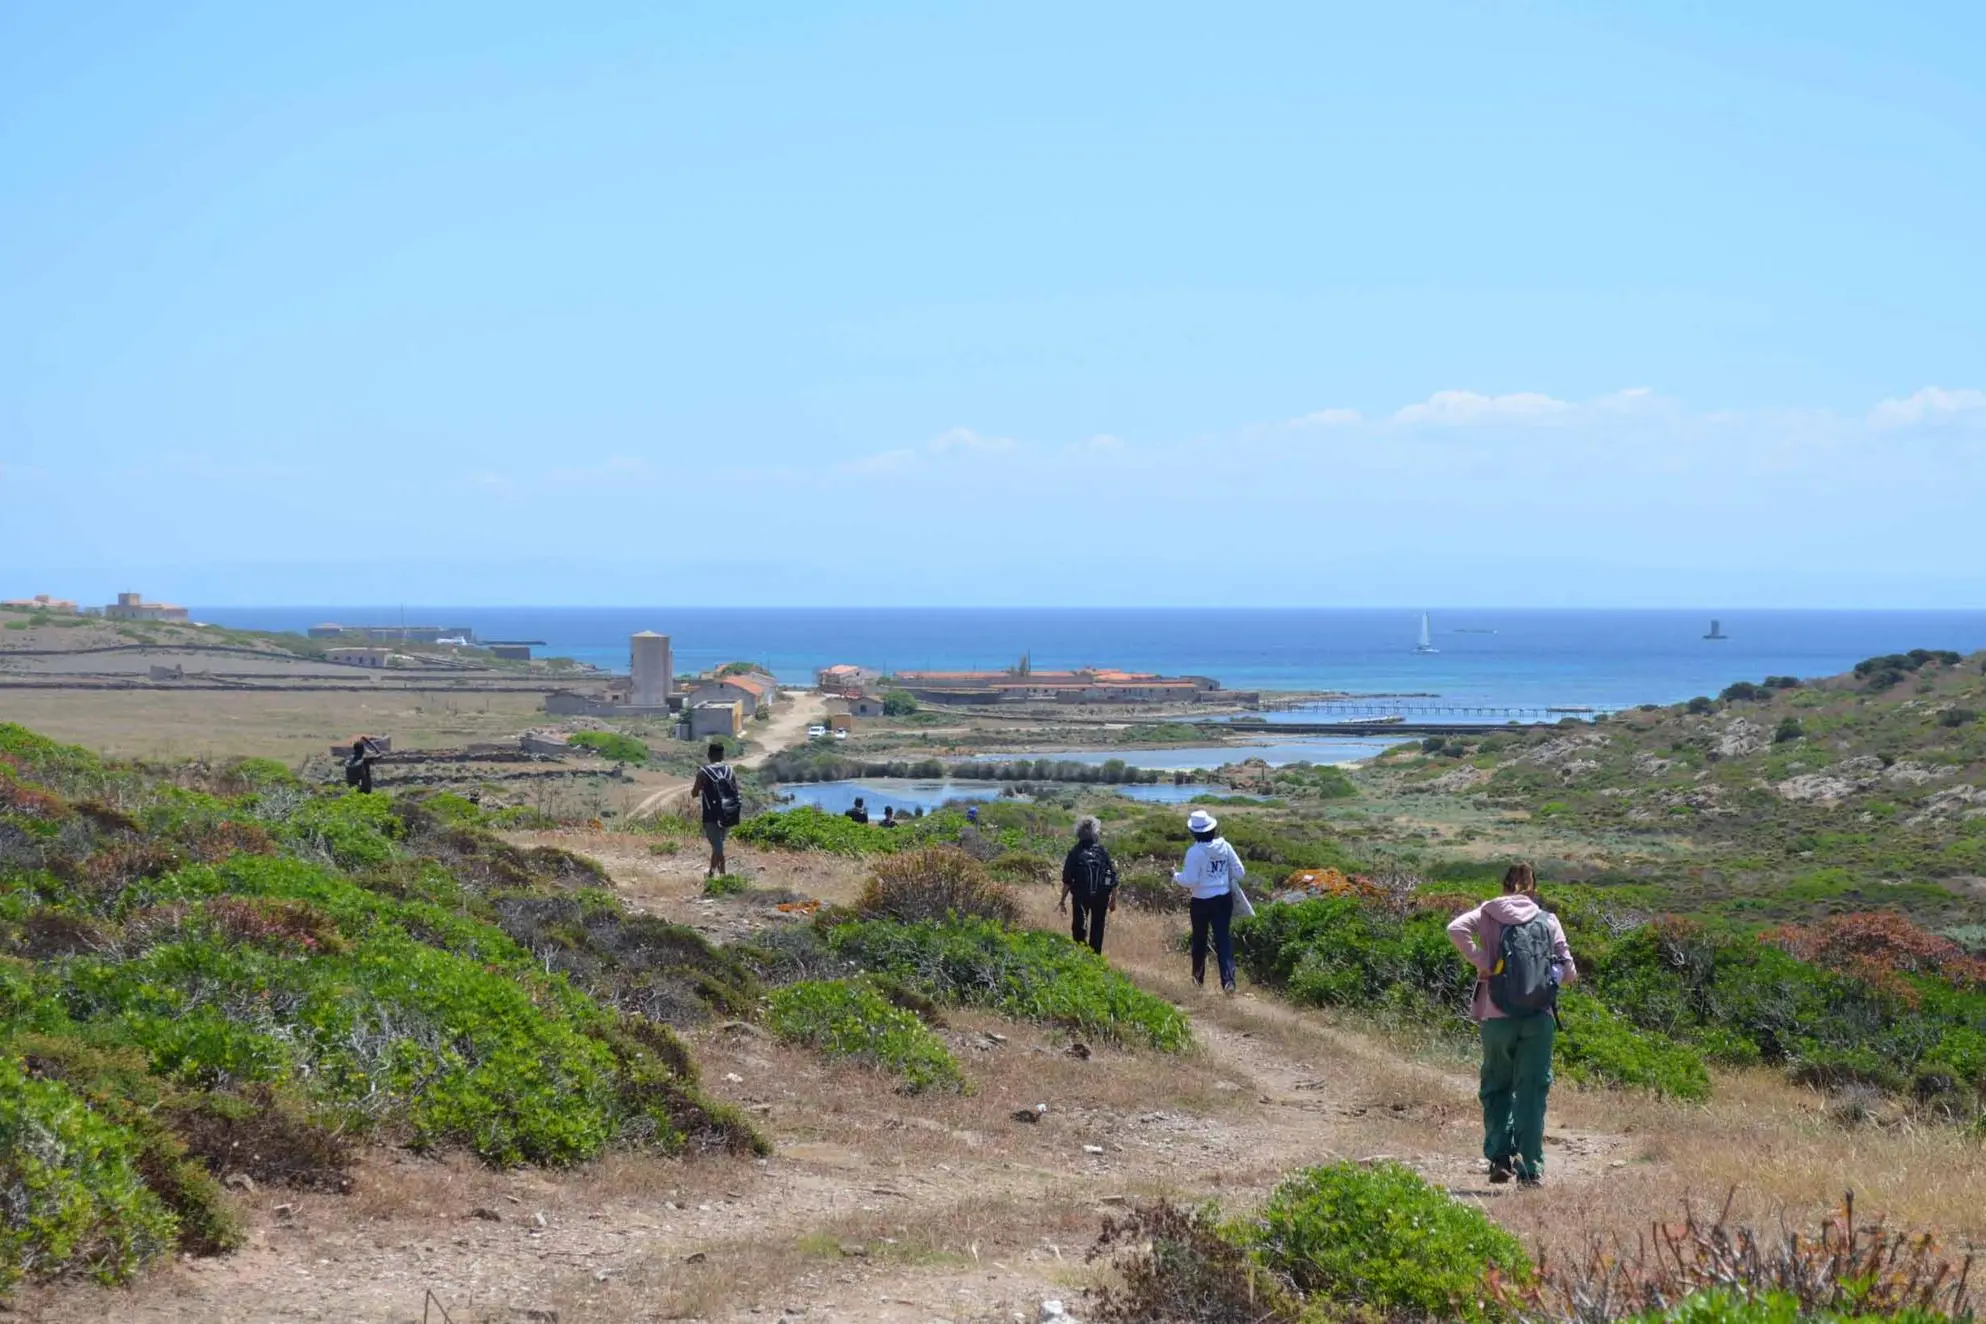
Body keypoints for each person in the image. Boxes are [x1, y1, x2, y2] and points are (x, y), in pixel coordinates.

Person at [1447, 863, 1578, 1188]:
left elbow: (1455, 929)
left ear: (1503, 885)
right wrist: (1551, 978)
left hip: (1496, 1016)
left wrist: (1484, 963)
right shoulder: (1548, 919)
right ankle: (1530, 1170)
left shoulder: (1488, 912)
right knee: (1531, 1093)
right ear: (1532, 888)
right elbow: (1569, 970)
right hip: (1538, 1017)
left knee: (1496, 1087)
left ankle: (1499, 1157)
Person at [1173, 809, 1245, 993]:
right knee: (1223, 941)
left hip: (1201, 901)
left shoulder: (1194, 852)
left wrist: (1175, 875)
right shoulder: (1225, 846)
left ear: (1194, 832)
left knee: (1199, 941)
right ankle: (1228, 982)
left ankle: (1198, 982)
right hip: (1223, 899)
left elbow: (1190, 881)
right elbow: (1240, 872)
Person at [1060, 816, 1119, 955]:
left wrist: (1062, 901)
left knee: (1079, 928)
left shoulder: (1075, 852)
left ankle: (1081, 958)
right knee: (1097, 929)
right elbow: (1113, 878)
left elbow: (1067, 881)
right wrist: (1113, 900)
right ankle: (1096, 960)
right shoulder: (1102, 851)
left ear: (1079, 833)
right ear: (1095, 832)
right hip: (1101, 896)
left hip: (1081, 896)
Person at [690, 742, 741, 879]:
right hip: (728, 813)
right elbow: (735, 790)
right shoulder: (730, 771)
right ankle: (711, 873)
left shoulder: (703, 772)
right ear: (722, 755)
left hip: (710, 814)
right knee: (718, 844)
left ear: (709, 755)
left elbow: (694, 793)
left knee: (717, 846)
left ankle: (723, 876)